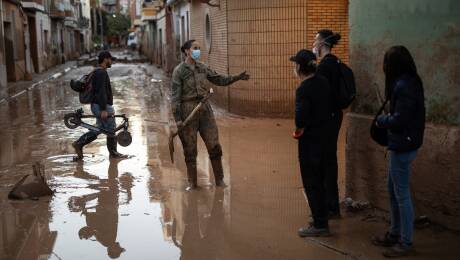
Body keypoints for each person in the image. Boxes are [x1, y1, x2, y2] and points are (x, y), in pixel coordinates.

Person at [171, 40, 250, 190]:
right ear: (187, 51)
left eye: (199, 48)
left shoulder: (203, 68)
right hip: (188, 109)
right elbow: (175, 98)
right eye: (195, 48)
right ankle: (192, 183)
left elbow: (219, 79)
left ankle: (219, 180)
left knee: (214, 145)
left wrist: (236, 77)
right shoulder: (179, 71)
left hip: (205, 109)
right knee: (190, 149)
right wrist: (178, 120)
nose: (197, 51)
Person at [372, 46, 425, 258]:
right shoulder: (410, 81)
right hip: (405, 142)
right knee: (393, 191)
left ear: (393, 65)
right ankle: (394, 233)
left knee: (401, 195)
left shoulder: (403, 86)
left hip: (403, 145)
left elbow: (400, 119)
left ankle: (406, 242)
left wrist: (382, 120)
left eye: (385, 62)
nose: (383, 66)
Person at [290, 49, 333, 237]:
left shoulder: (304, 89)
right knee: (322, 179)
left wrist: (300, 128)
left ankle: (320, 225)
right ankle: (322, 216)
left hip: (310, 142)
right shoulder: (324, 82)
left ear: (300, 67)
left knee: (311, 181)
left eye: (295, 64)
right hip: (326, 138)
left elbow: (300, 118)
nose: (294, 67)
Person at [72, 51, 127, 160]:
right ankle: (113, 153)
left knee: (99, 129)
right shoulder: (101, 73)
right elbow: (101, 92)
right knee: (111, 129)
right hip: (101, 106)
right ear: (105, 59)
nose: (111, 62)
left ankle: (79, 143)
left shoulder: (98, 72)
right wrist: (103, 109)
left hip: (98, 105)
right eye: (110, 59)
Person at [312, 29, 344, 218]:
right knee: (330, 160)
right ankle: (332, 205)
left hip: (327, 119)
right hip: (336, 115)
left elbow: (320, 96)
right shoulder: (337, 62)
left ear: (323, 44)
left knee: (325, 163)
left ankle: (330, 207)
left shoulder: (325, 66)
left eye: (316, 40)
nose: (313, 43)